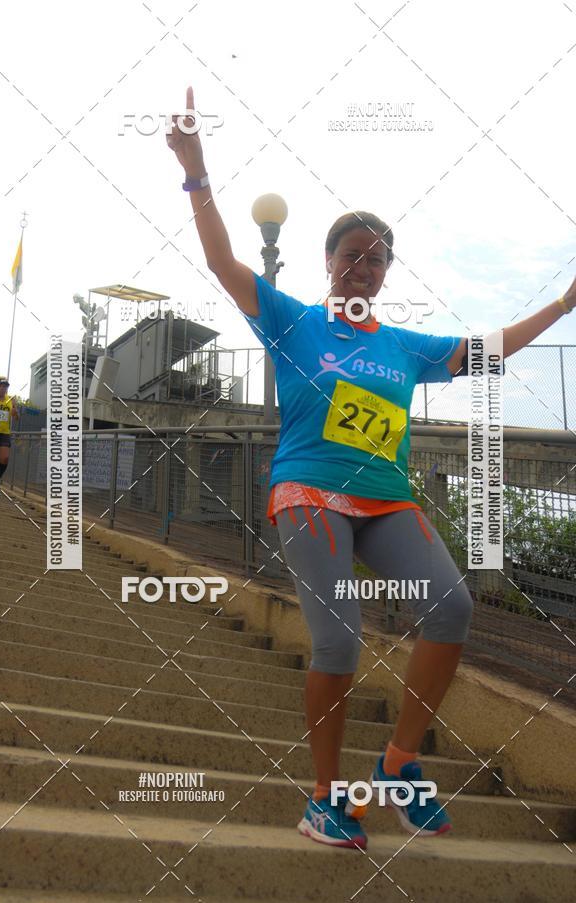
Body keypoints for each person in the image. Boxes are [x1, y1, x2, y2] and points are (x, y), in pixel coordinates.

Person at [167, 86, 576, 850]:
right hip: (308, 490)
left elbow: (486, 353)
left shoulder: (404, 346)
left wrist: (561, 305)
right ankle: (324, 797)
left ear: (385, 274)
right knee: (341, 642)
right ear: (328, 265)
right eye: (351, 255)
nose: (363, 265)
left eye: (376, 258)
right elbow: (222, 260)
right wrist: (196, 170)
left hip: (387, 500)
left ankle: (397, 762)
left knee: (451, 607)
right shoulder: (293, 320)